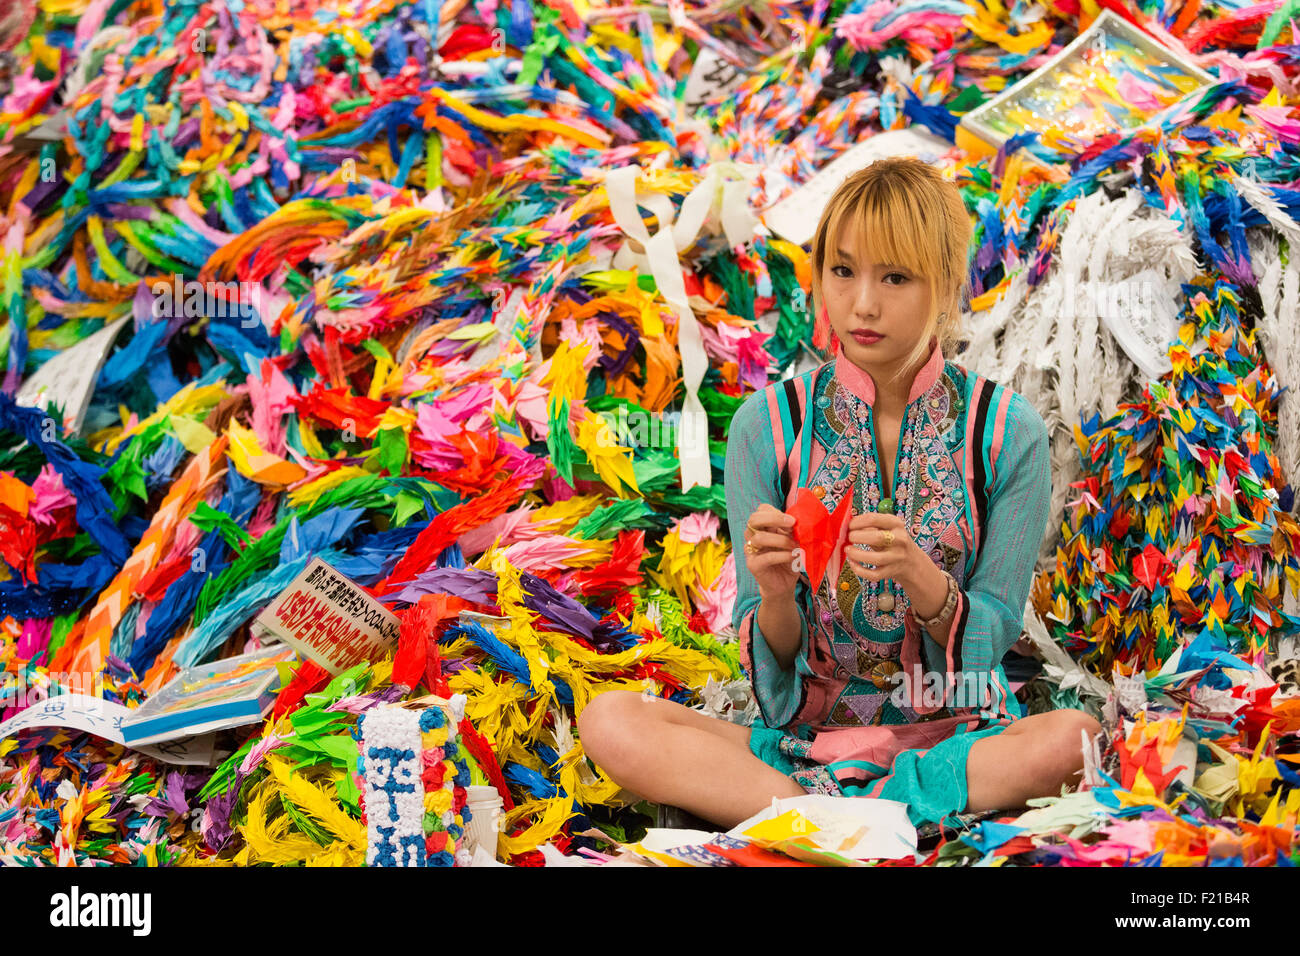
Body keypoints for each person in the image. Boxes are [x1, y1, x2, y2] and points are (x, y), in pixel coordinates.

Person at [577, 157, 1100, 831]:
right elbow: (776, 669)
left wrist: (925, 583)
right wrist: (770, 593)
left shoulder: (1006, 433)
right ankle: (826, 810)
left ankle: (822, 819)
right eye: (843, 270)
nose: (863, 304)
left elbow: (994, 630)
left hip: (958, 741)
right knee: (612, 720)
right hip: (801, 745)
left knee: (1075, 736)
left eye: (895, 277)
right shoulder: (765, 427)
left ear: (945, 285)